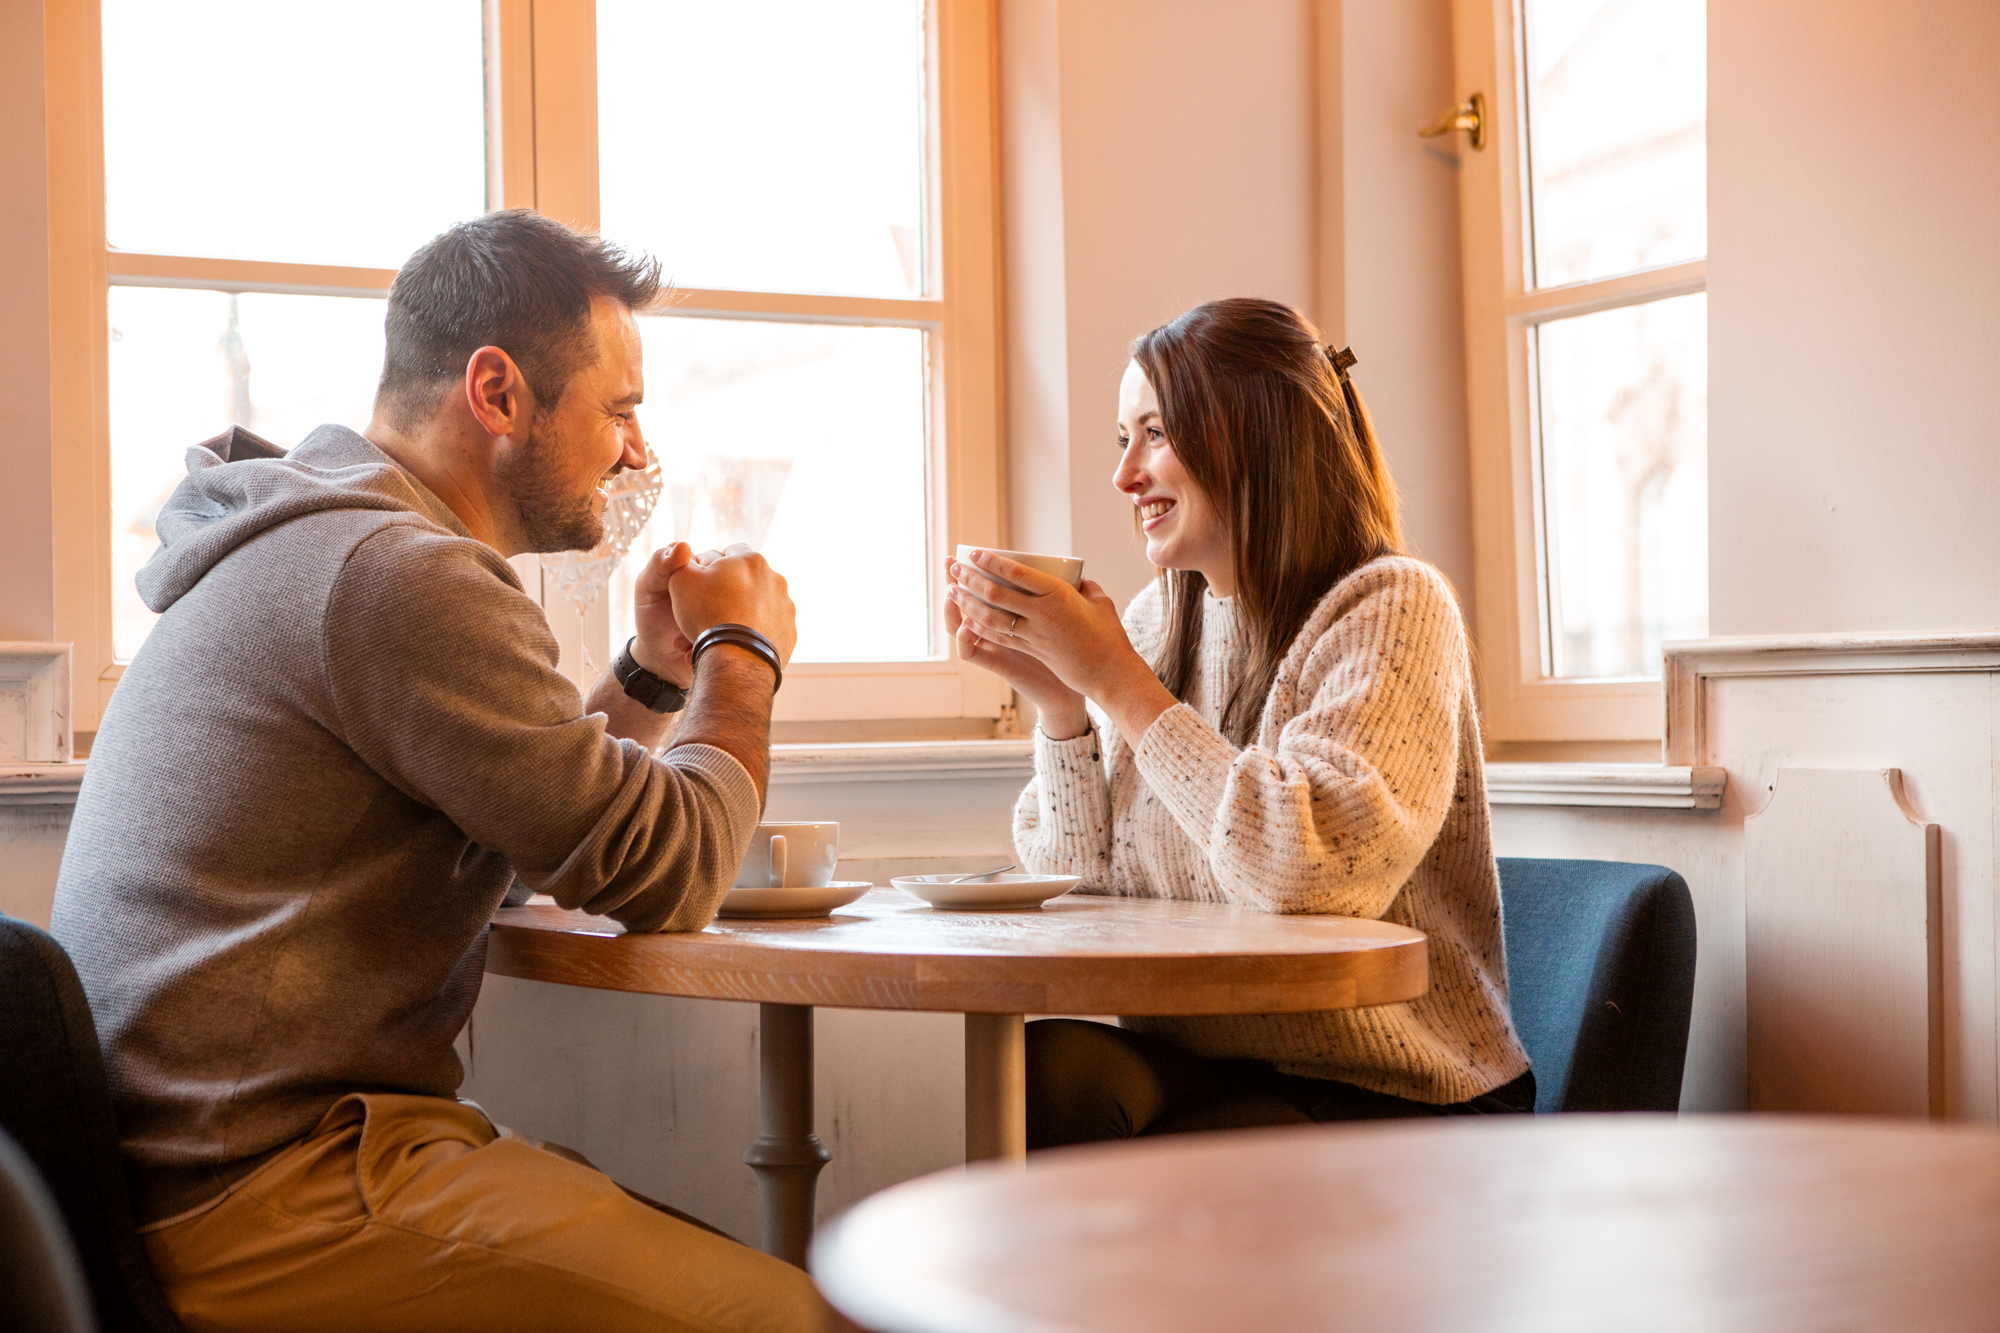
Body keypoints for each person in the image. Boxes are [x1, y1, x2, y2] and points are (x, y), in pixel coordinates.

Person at [51, 211, 838, 1331]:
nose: (635, 453)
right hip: (269, 1192)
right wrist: (743, 656)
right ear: (498, 392)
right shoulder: (395, 576)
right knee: (803, 1317)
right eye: (618, 411)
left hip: (205, 1167)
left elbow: (521, 825)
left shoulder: (325, 541)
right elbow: (664, 871)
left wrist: (654, 678)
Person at [945, 298, 1533, 1146]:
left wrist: (1115, 681)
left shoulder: (1391, 608)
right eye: (1123, 439)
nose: (1124, 476)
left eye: (1155, 433)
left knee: (1164, 1176)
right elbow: (1075, 878)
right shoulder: (1158, 621)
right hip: (1225, 1064)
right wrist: (1062, 705)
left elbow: (1306, 873)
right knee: (1039, 1078)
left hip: (1400, 1087)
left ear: (1254, 436)